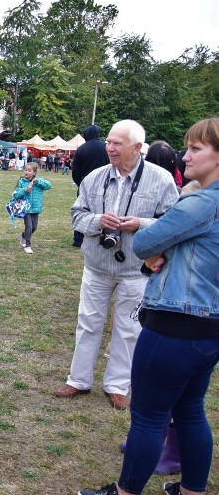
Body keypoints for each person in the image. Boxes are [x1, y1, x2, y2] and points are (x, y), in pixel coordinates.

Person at [77, 116, 219, 495]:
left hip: (175, 323)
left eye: (195, 149)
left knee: (149, 415)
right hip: (209, 327)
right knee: (191, 411)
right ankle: (192, 494)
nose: (184, 155)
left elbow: (145, 242)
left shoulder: (200, 201)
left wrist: (160, 248)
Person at [55, 119, 179, 410]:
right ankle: (78, 379)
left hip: (136, 268)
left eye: (116, 143)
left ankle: (117, 385)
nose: (109, 148)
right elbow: (77, 216)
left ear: (137, 148)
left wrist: (140, 224)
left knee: (128, 328)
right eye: (108, 142)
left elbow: (173, 223)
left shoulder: (161, 180)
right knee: (88, 322)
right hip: (97, 265)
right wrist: (98, 221)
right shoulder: (94, 178)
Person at [71, 124, 110, 247]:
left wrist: (80, 184)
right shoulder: (107, 148)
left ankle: (78, 239)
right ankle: (104, 234)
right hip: (105, 184)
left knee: (82, 210)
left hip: (85, 184)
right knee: (104, 209)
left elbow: (75, 171)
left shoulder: (81, 149)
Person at [12, 162, 51, 254]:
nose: (26, 172)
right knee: (28, 226)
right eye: (25, 170)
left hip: (36, 208)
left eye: (29, 171)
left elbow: (49, 185)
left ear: (34, 173)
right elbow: (16, 194)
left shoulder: (38, 182)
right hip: (25, 208)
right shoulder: (22, 182)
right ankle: (28, 244)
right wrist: (25, 190)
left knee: (34, 227)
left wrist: (38, 182)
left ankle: (23, 236)